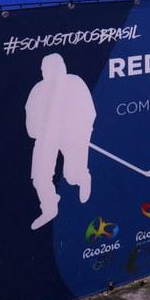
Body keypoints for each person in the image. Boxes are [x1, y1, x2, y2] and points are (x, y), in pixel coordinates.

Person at [25, 53, 97, 230]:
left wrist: (77, 129)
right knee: (40, 176)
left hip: (74, 135)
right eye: (45, 70)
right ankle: (49, 208)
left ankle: (82, 178)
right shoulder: (38, 90)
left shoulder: (75, 84)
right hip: (46, 137)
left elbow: (90, 113)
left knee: (72, 175)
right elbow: (31, 126)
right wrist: (43, 129)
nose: (48, 73)